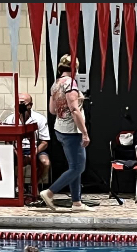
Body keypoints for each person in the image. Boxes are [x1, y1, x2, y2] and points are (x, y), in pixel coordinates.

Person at [39, 55, 91, 212]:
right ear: (74, 68)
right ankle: (49, 192)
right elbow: (75, 110)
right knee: (78, 167)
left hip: (60, 129)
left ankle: (77, 203)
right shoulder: (71, 84)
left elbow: (52, 110)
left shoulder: (55, 84)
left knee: (74, 166)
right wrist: (85, 133)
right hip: (72, 131)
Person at [2, 92, 51, 189]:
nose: (20, 106)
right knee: (7, 161)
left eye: (23, 103)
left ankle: (34, 184)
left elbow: (45, 142)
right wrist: (17, 153)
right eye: (18, 103)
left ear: (30, 105)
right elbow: (7, 142)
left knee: (45, 163)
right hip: (16, 149)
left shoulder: (40, 119)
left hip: (35, 148)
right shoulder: (10, 119)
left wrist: (33, 153)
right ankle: (17, 186)